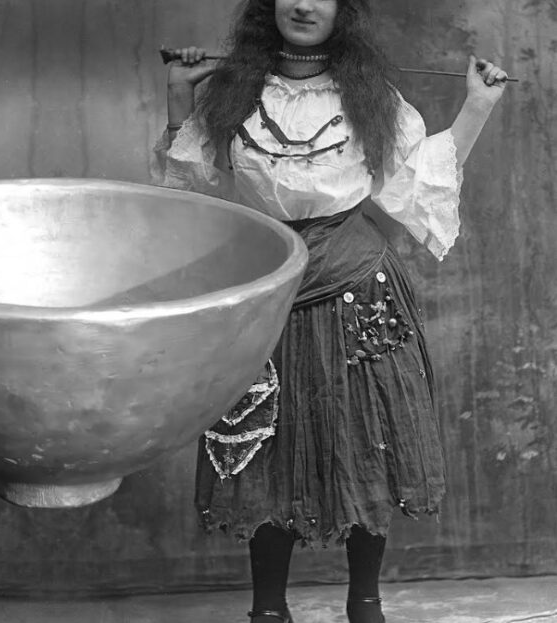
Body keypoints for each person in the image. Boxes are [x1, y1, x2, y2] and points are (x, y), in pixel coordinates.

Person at [152, 1, 507, 622]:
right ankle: (268, 610)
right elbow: (192, 193)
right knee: (269, 444)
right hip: (267, 287)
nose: (304, 4)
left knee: (367, 437)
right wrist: (181, 96)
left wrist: (477, 104)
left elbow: (418, 182)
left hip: (359, 290)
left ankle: (365, 604)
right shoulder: (233, 95)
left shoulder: (373, 98)